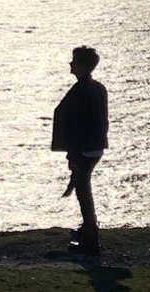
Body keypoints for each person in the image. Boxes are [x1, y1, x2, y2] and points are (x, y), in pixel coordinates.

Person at [51, 46, 108, 255]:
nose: (71, 64)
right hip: (95, 147)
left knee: (83, 193)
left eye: (74, 61)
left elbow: (78, 125)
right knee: (83, 188)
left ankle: (90, 239)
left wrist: (73, 153)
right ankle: (87, 231)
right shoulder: (98, 88)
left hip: (84, 149)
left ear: (82, 66)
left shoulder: (82, 91)